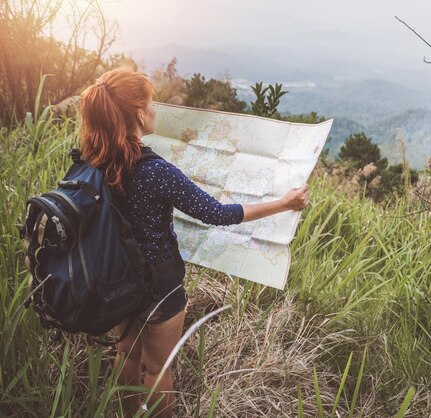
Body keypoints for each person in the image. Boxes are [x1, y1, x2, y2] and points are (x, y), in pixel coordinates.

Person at [79, 69, 308, 417]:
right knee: (157, 370)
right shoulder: (155, 171)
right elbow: (217, 213)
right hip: (160, 287)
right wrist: (283, 203)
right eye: (152, 103)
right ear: (140, 113)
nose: (156, 110)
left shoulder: (94, 160)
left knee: (126, 353)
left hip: (117, 279)